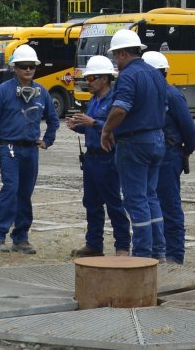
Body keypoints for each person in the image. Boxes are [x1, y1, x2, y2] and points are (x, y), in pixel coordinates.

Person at [0, 44, 59, 254]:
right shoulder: (3, 91)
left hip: (30, 149)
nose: (28, 70)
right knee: (11, 188)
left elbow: (53, 118)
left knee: (25, 193)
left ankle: (21, 238)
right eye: (23, 66)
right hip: (9, 147)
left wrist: (47, 140)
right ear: (15, 67)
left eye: (31, 66)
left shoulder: (41, 92)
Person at [99, 29, 167, 259]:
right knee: (150, 197)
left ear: (121, 54)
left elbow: (120, 109)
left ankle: (142, 255)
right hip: (157, 139)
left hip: (135, 142)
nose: (115, 62)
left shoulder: (129, 75)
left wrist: (106, 129)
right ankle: (158, 251)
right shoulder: (155, 74)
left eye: (115, 56)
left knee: (136, 200)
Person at [64, 55, 130, 257]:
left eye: (92, 78)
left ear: (105, 79)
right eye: (88, 78)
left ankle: (122, 246)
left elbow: (115, 129)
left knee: (113, 204)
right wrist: (78, 127)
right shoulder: (94, 101)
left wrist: (92, 123)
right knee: (91, 203)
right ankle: (94, 244)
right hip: (91, 158)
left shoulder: (114, 102)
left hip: (107, 158)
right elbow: (92, 129)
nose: (88, 82)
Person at [143, 51, 195, 265]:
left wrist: (184, 152)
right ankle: (159, 250)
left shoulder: (171, 95)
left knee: (170, 206)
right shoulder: (150, 95)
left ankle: (175, 255)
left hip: (169, 156)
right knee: (151, 204)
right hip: (154, 155)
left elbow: (189, 130)